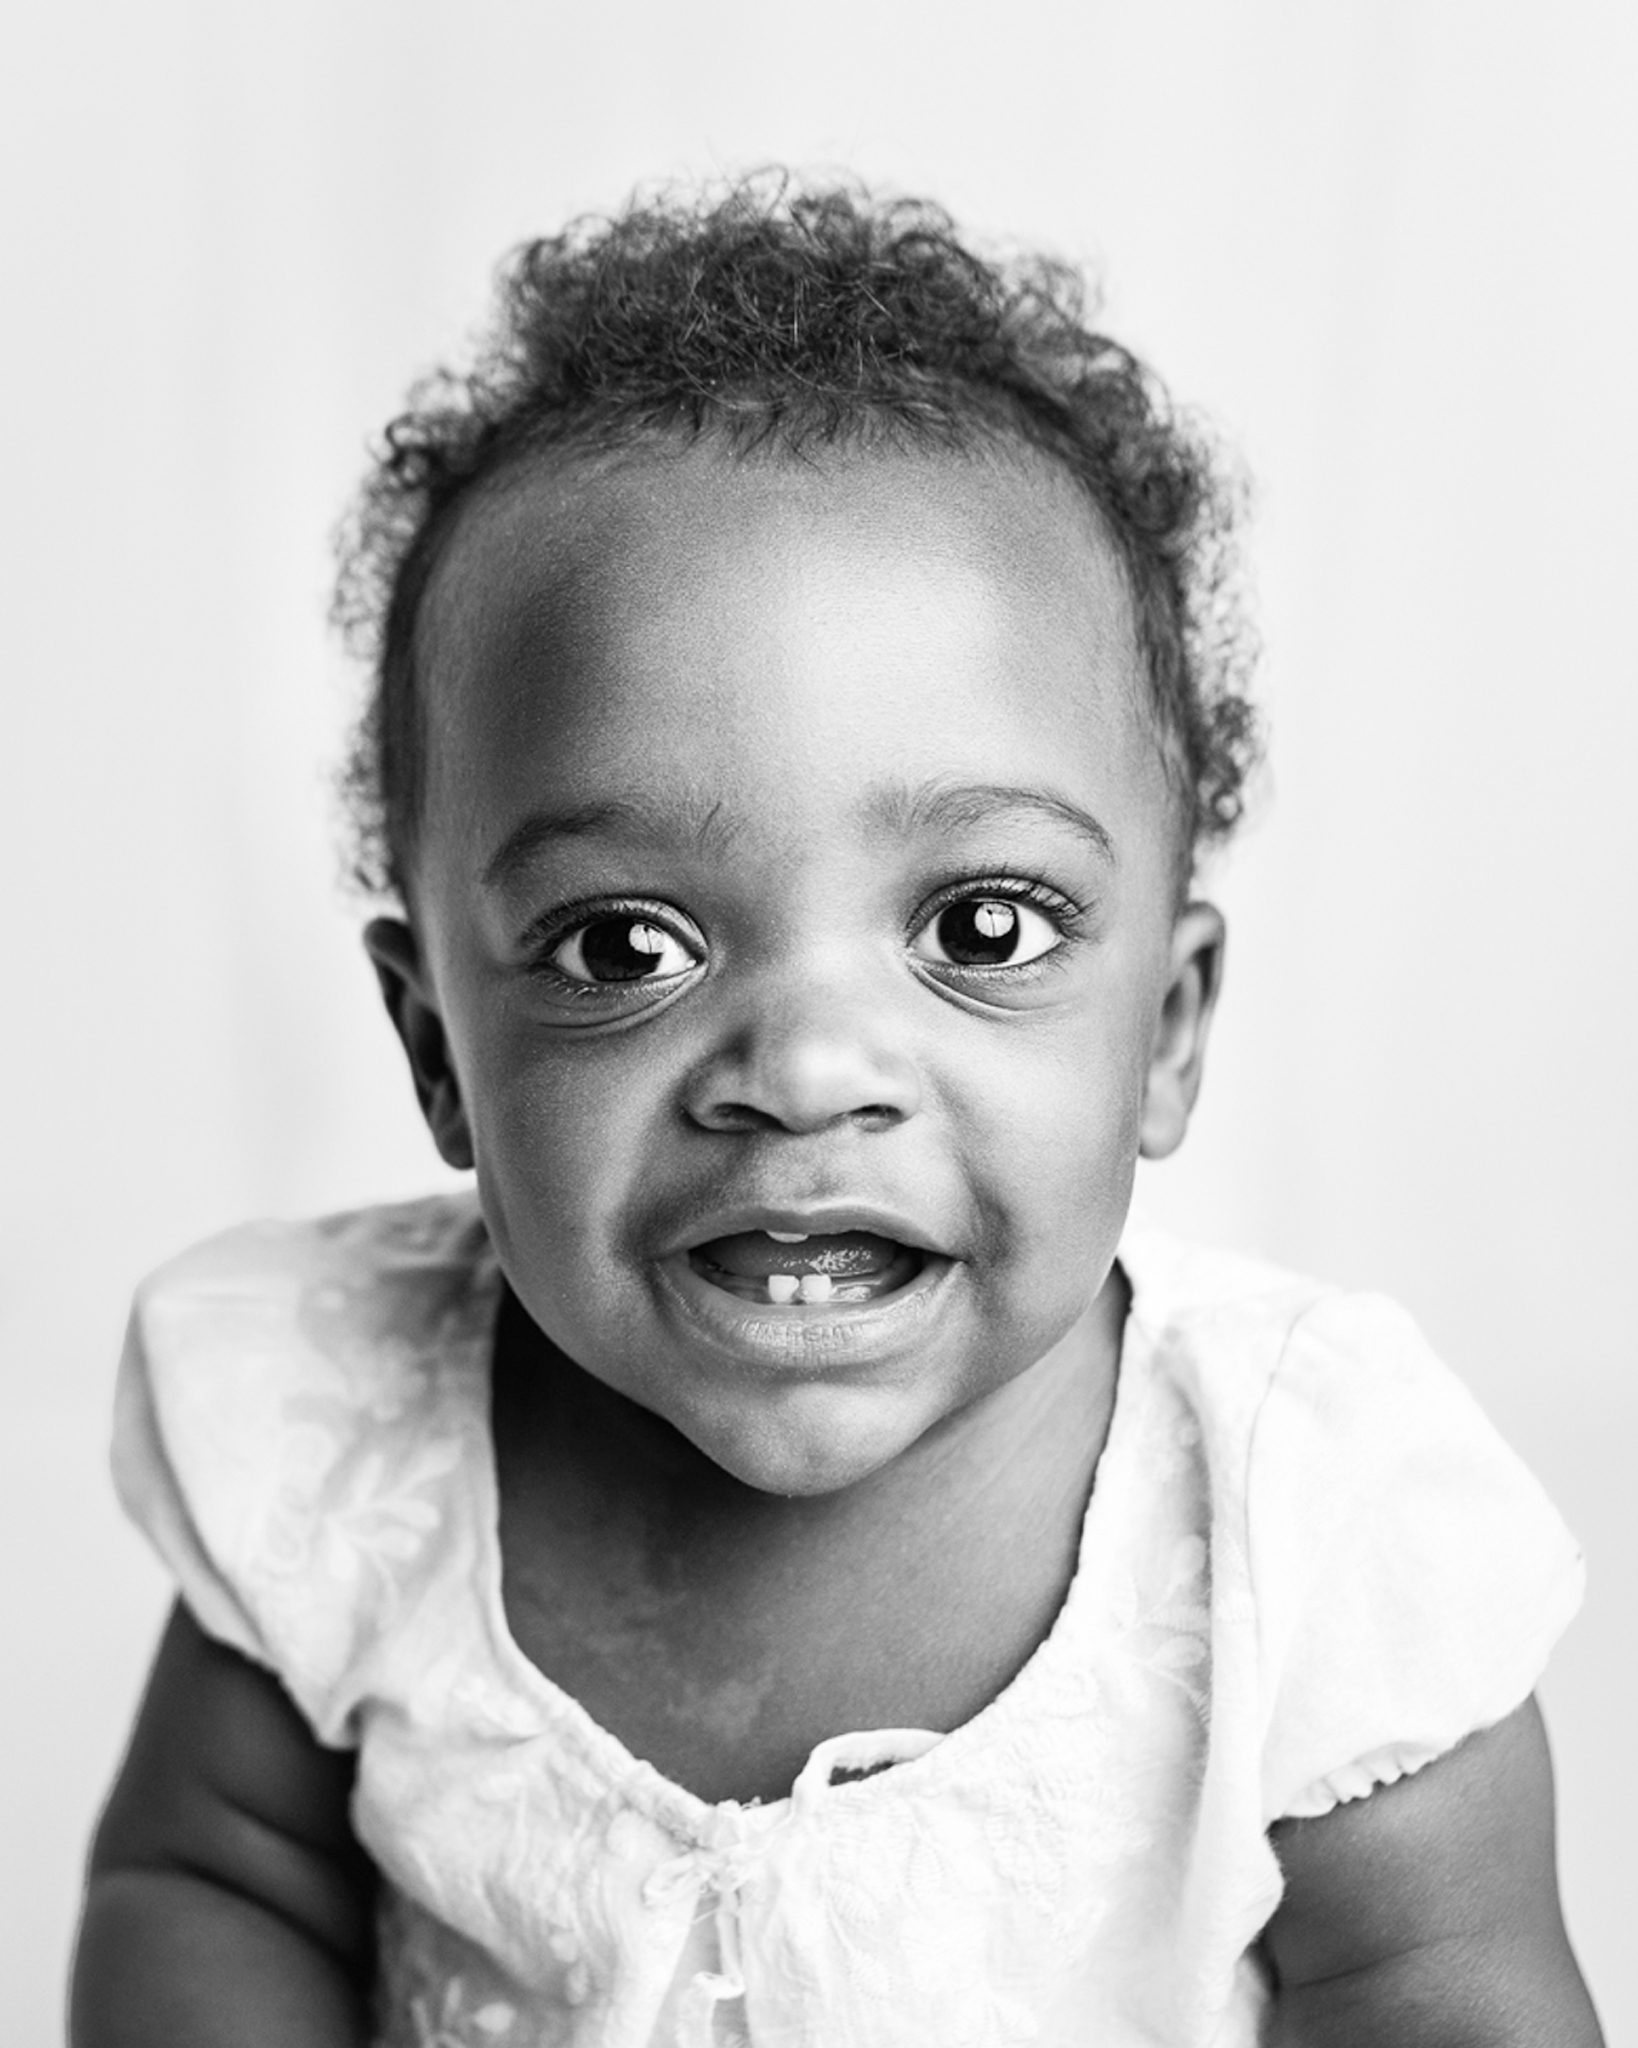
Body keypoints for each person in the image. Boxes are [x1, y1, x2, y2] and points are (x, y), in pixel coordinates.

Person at [70, 178, 1602, 2047]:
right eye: (624, 943)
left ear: (1171, 1029)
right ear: (434, 1051)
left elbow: (1442, 1990)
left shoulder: (1298, 1519)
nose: (800, 1071)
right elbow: (211, 1883)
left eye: (977, 927)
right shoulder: (345, 1450)